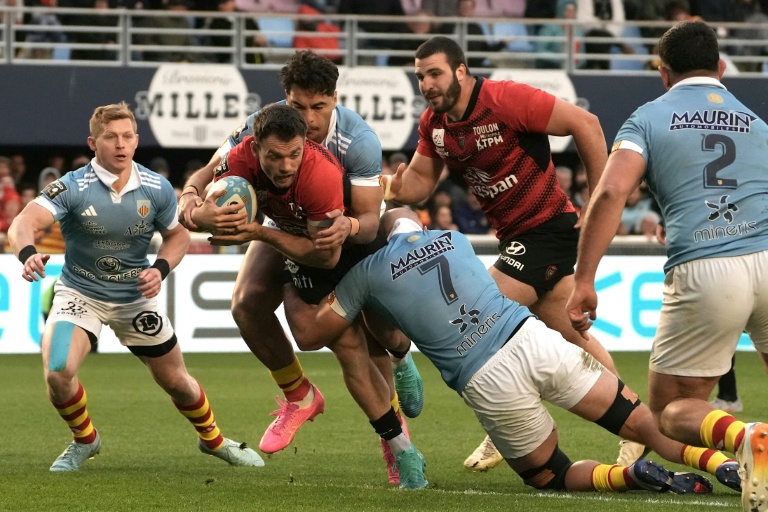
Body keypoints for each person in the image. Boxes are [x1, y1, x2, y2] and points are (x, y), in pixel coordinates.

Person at [282, 207, 742, 495]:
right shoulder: (454, 240)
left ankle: (626, 477)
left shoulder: (366, 275)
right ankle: (723, 462)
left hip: (485, 378)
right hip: (531, 338)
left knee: (551, 475)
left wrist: (287, 274)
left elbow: (312, 335)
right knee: (640, 420)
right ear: (415, 225)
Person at [381, 35, 640, 469]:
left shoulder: (506, 99)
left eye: (435, 73)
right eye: (420, 76)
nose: (426, 84)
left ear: (461, 71)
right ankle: (637, 426)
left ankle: (509, 425)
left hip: (548, 230)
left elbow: (587, 123)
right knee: (572, 336)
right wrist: (391, 187)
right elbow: (420, 184)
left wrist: (599, 200)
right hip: (516, 239)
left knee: (483, 317)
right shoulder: (434, 125)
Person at [178, 49, 424, 482]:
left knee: (371, 340)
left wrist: (347, 225)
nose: (307, 119)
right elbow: (209, 171)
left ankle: (400, 384)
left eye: (318, 107)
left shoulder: (357, 142)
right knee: (248, 304)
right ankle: (299, 395)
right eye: (297, 105)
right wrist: (191, 202)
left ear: (335, 100)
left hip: (346, 234)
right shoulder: (262, 128)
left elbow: (367, 223)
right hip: (291, 227)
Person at [565, 21, 768, 512]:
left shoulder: (648, 118)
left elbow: (612, 191)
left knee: (671, 411)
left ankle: (745, 437)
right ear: (721, 68)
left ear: (663, 72)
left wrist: (584, 278)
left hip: (707, 266)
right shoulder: (758, 124)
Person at [6, 102, 264, 472]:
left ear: (137, 140)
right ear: (93, 143)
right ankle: (85, 439)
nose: (120, 144)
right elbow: (23, 223)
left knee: (178, 383)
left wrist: (160, 269)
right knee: (58, 371)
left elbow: (178, 236)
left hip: (135, 297)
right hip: (81, 294)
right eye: (111, 137)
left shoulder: (156, 187)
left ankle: (214, 440)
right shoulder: (72, 186)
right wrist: (28, 253)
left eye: (127, 136)